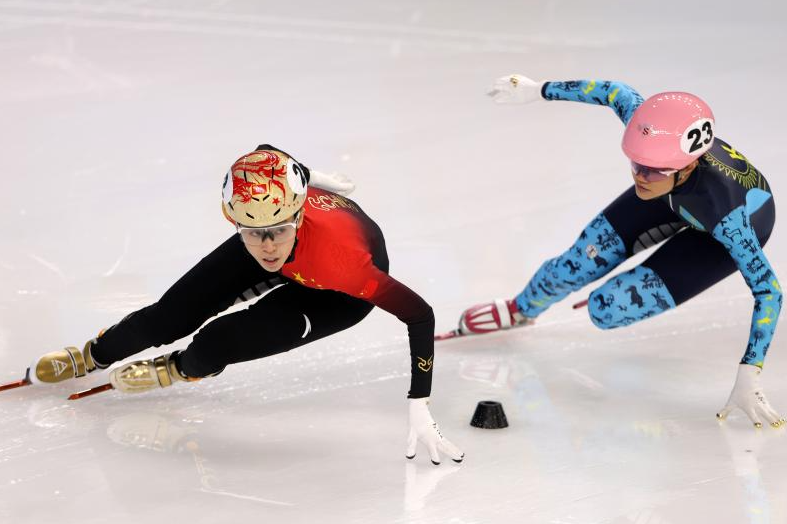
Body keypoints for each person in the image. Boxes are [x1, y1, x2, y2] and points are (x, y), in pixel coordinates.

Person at [23, 145, 464, 465]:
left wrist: (418, 402)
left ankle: (180, 368)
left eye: (278, 231)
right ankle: (93, 354)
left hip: (332, 294)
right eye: (252, 233)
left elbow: (419, 314)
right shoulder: (263, 212)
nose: (267, 246)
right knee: (167, 317)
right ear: (236, 220)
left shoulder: (347, 264)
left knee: (218, 342)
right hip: (302, 247)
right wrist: (310, 176)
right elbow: (267, 153)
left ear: (298, 216)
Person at [458, 75, 785, 429]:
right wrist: (537, 90)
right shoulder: (654, 139)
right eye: (635, 163)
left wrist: (750, 370)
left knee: (607, 308)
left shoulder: (728, 216)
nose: (640, 176)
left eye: (651, 170)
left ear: (688, 165)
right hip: (671, 197)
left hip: (716, 235)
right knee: (575, 263)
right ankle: (521, 309)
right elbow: (615, 92)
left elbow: (769, 291)